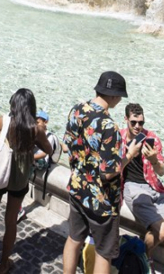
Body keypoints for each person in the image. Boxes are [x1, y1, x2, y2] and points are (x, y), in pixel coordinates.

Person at [0, 89, 52, 274]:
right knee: (11, 221)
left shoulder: (4, 121)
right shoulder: (36, 129)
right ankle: (4, 265)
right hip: (19, 178)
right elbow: (49, 150)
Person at [62, 71, 128, 274]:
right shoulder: (109, 126)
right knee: (103, 252)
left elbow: (66, 147)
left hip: (77, 188)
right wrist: (129, 156)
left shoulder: (77, 110)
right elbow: (108, 173)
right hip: (102, 201)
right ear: (115, 96)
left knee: (74, 239)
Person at [120, 103, 164, 274]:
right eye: (133, 122)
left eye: (140, 122)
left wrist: (154, 160)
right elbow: (113, 168)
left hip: (154, 187)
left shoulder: (151, 138)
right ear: (126, 119)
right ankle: (142, 260)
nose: (137, 126)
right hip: (133, 187)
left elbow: (161, 172)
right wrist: (129, 154)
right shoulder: (118, 138)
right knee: (162, 231)